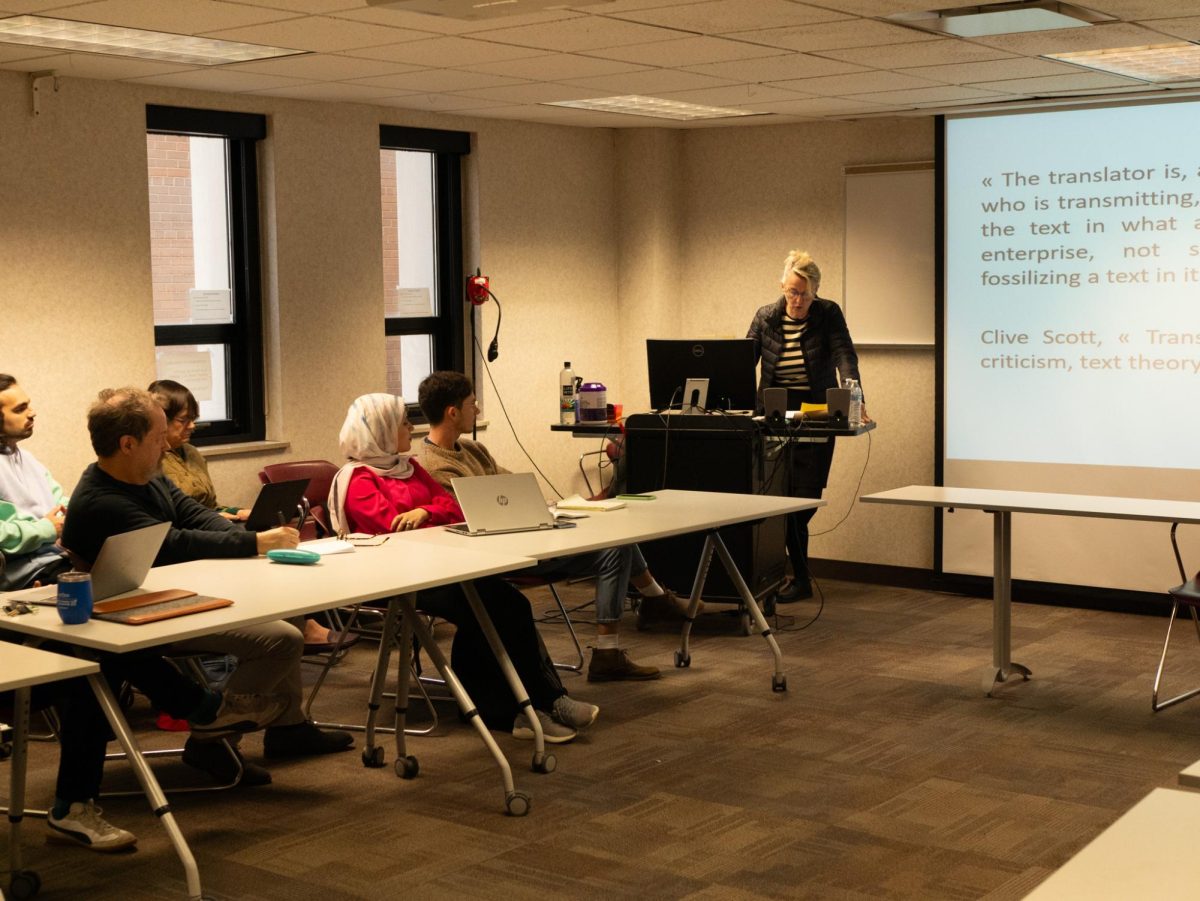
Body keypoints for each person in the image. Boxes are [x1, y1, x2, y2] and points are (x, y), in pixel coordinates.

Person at [61, 387, 353, 784]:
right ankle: (213, 737)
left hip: (174, 601)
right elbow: (172, 545)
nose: (166, 446)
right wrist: (252, 542)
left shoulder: (146, 476)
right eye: (158, 436)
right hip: (139, 624)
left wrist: (252, 538)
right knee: (280, 638)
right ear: (128, 444)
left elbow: (193, 514)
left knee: (287, 623)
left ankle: (271, 730)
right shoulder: (101, 500)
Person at [327, 392, 598, 743]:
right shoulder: (359, 480)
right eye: (403, 423)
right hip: (399, 577)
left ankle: (544, 699)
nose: (412, 427)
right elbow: (393, 528)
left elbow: (453, 505)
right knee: (487, 609)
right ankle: (510, 710)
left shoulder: (407, 467)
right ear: (379, 430)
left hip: (441, 566)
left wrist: (426, 512)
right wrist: (429, 514)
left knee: (512, 605)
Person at [416, 371, 693, 682]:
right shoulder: (433, 466)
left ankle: (641, 617)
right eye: (472, 405)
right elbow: (478, 514)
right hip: (501, 556)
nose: (477, 411)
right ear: (452, 412)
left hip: (527, 534)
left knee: (616, 538)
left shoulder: (473, 449)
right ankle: (630, 629)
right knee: (613, 549)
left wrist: (550, 509)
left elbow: (515, 487)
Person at [146, 379, 347, 654]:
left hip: (213, 525)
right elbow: (178, 518)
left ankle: (299, 620)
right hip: (192, 545)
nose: (191, 426)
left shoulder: (191, 454)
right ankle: (295, 625)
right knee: (259, 552)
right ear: (161, 422)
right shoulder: (153, 463)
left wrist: (234, 512)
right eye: (183, 420)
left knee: (271, 541)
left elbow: (206, 506)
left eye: (194, 419)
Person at [746, 250, 867, 602]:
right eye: (792, 292)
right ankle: (793, 578)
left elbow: (845, 355)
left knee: (803, 502)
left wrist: (855, 395)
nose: (797, 301)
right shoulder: (765, 317)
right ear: (782, 287)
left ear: (815, 292)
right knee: (775, 501)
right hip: (772, 414)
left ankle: (796, 577)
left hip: (815, 413)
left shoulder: (827, 314)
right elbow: (742, 362)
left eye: (805, 294)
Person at [0, 374, 71, 590]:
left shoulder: (28, 459)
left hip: (59, 560)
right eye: (20, 409)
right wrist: (46, 528)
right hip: (27, 574)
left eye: (28, 405)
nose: (32, 413)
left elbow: (60, 502)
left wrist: (71, 515)